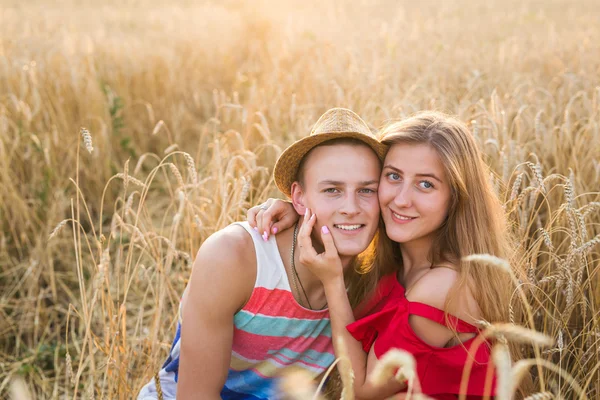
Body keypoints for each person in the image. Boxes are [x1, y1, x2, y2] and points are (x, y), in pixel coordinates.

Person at [248, 111, 515, 399]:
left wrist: (333, 281)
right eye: (393, 176)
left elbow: (362, 389)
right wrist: (302, 210)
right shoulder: (397, 257)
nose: (401, 199)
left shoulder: (442, 287)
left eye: (426, 184)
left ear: (456, 197)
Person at [137, 107, 387, 400]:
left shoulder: (375, 275)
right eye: (332, 190)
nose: (351, 207)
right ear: (298, 198)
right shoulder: (233, 257)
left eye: (367, 190)